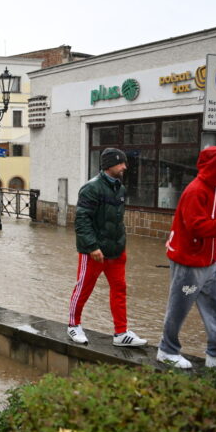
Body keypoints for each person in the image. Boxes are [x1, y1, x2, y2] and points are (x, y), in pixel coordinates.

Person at [157, 146, 216, 369]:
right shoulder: (197, 191)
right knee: (178, 308)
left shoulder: (215, 190)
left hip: (209, 262)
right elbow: (197, 227)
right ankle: (167, 351)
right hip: (189, 264)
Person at [67, 148, 147, 347]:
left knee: (120, 289)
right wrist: (92, 247)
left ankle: (121, 333)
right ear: (109, 165)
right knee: (83, 288)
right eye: (121, 164)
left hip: (116, 251)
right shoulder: (91, 188)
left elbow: (117, 220)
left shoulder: (120, 189)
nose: (125, 167)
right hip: (94, 252)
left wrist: (121, 245)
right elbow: (82, 220)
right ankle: (73, 325)